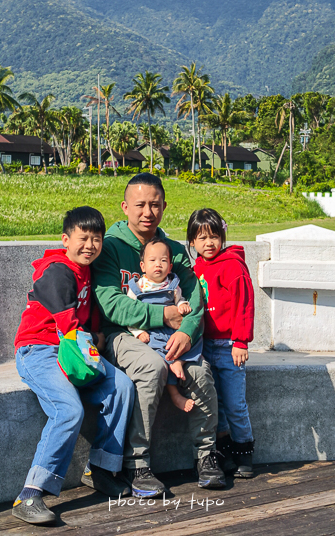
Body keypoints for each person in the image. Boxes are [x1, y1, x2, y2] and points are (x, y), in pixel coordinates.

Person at [92, 173, 226, 497]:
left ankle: (206, 458)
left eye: (155, 204)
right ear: (125, 207)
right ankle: (138, 464)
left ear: (164, 206)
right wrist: (161, 314)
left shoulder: (173, 250)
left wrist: (189, 333)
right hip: (124, 335)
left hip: (171, 334)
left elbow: (194, 296)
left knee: (200, 371)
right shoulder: (110, 248)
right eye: (140, 205)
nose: (147, 212)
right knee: (152, 368)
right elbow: (111, 304)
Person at [12, 206, 136, 526]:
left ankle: (100, 470)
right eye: (83, 238)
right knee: (68, 410)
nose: (90, 246)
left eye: (96, 239)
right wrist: (82, 336)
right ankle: (30, 494)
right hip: (39, 351)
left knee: (121, 387)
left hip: (75, 349)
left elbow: (88, 314)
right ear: (66, 239)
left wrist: (94, 334)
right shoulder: (58, 269)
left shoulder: (87, 271)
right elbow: (62, 311)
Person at [188, 207, 256, 479]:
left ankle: (244, 451)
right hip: (205, 345)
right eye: (202, 238)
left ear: (223, 237)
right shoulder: (196, 268)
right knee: (214, 404)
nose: (209, 243)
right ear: (192, 241)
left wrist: (241, 341)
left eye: (214, 236)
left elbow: (244, 304)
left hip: (229, 346)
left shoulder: (232, 266)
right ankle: (224, 450)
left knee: (234, 403)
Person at [125, 237, 202, 413]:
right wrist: (138, 333)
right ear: (143, 266)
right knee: (160, 353)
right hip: (152, 331)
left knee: (196, 341)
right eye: (152, 261)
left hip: (172, 329)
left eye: (163, 260)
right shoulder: (138, 287)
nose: (158, 264)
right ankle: (175, 392)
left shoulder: (173, 284)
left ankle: (179, 360)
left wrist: (182, 305)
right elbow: (130, 315)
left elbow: (180, 299)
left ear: (170, 266)